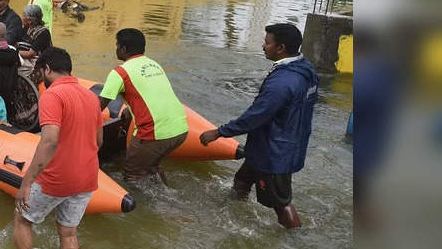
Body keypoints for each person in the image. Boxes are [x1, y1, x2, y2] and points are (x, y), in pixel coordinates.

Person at [200, 23, 319, 229]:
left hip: (274, 153)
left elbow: (255, 117)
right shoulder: (305, 69)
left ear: (280, 48)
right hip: (275, 144)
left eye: (267, 43)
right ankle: (231, 218)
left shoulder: (282, 82)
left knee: (281, 203)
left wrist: (218, 132)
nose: (263, 47)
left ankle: (295, 237)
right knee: (241, 181)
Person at [13, 47, 103, 249]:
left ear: (47, 69)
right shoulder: (91, 98)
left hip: (57, 177)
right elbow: (98, 141)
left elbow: (49, 141)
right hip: (87, 178)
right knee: (69, 232)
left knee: (22, 220)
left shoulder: (52, 95)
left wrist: (26, 184)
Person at [98, 29, 188, 184]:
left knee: (131, 175)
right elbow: (150, 95)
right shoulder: (153, 64)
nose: (116, 49)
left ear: (123, 49)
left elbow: (98, 106)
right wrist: (129, 111)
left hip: (154, 133)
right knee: (153, 165)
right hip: (180, 130)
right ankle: (166, 191)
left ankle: (145, 206)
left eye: (117, 45)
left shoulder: (120, 72)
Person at [17, 4, 52, 80]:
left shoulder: (43, 33)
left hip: (39, 65)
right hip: (25, 60)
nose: (22, 18)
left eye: (24, 16)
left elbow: (30, 54)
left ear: (30, 20)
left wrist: (14, 52)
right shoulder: (26, 29)